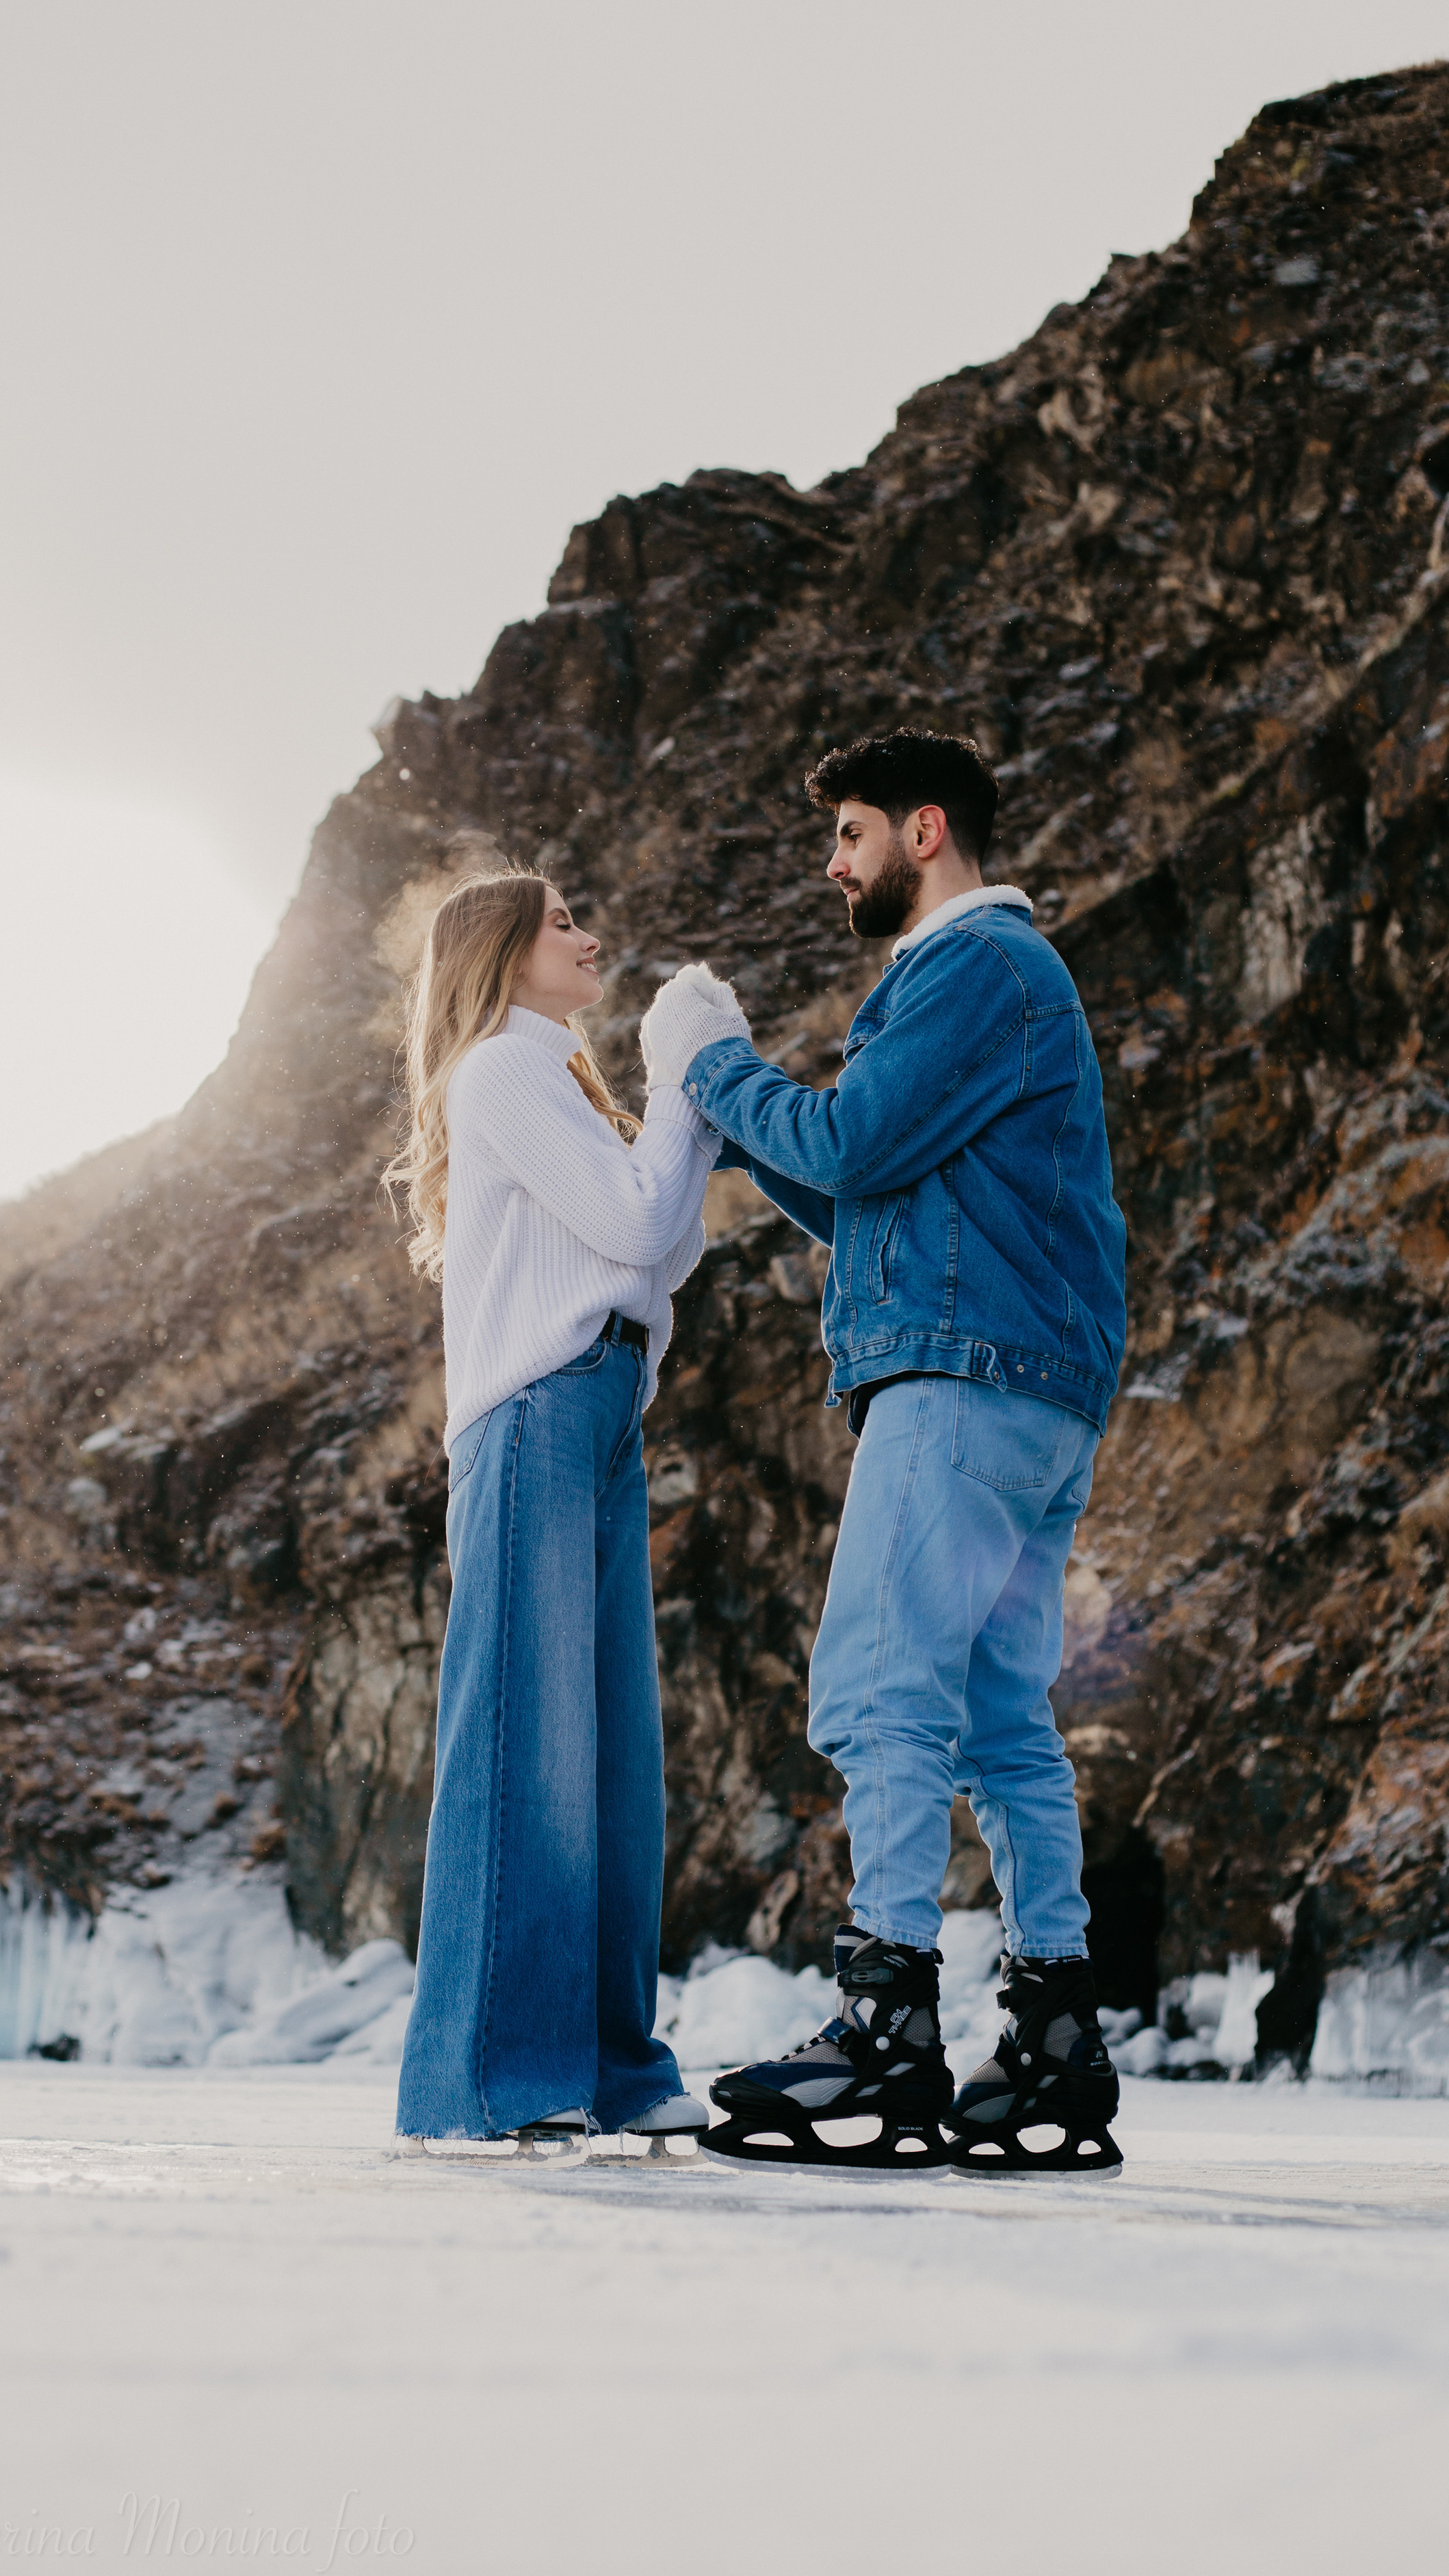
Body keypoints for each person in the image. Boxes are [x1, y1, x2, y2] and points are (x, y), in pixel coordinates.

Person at [638, 727, 1130, 2175]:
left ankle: (884, 2028)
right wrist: (733, 1128)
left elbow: (851, 1146)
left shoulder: (971, 967)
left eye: (847, 835)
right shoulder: (998, 983)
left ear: (925, 832)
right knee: (995, 1712)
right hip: (1028, 1392)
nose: (828, 863)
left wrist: (715, 1067)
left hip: (960, 1385)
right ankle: (1052, 2025)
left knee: (879, 1688)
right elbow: (871, 1190)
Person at [387, 868, 742, 2158]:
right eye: (562, 926)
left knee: (610, 1764)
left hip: (593, 1411)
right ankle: (496, 2075)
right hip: (537, 1405)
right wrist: (685, 1070)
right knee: (528, 1750)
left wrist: (679, 1102)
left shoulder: (551, 1078)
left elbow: (660, 1246)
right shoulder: (500, 1069)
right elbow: (644, 1215)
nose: (590, 940)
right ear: (502, 954)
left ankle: (610, 2058)